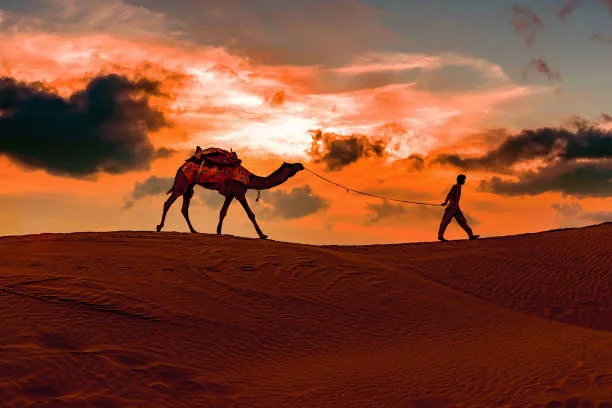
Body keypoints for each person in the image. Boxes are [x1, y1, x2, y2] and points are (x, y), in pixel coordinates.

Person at [438, 174, 480, 242]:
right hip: (451, 207)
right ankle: (440, 236)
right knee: (445, 222)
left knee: (462, 221)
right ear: (460, 180)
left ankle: (470, 235)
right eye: (463, 180)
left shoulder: (459, 187)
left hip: (456, 208)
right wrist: (445, 202)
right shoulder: (455, 186)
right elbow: (450, 194)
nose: (464, 181)